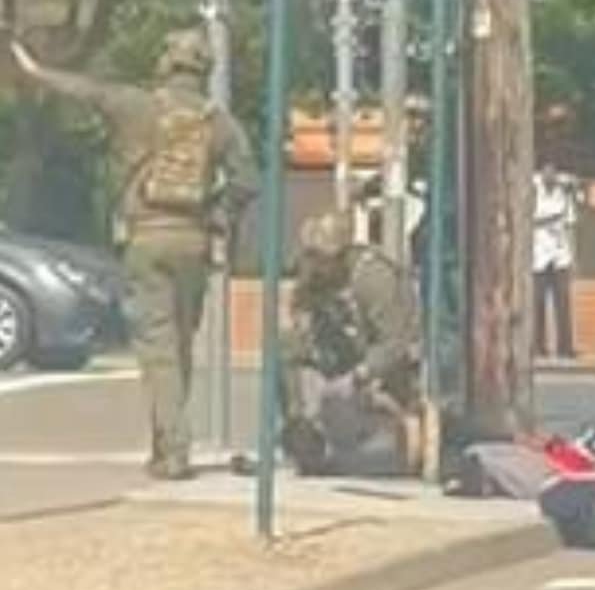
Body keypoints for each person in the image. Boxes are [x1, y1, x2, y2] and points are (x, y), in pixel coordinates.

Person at [10, 30, 258, 480]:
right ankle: (168, 442)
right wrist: (218, 215)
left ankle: (173, 450)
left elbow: (84, 90)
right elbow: (246, 181)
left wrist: (31, 66)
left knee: (158, 348)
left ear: (166, 63)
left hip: (146, 238)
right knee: (180, 345)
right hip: (194, 241)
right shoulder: (219, 122)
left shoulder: (134, 105)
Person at [280, 210, 425, 477]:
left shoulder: (374, 277)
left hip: (388, 374)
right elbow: (302, 322)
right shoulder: (317, 279)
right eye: (310, 257)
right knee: (285, 348)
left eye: (320, 259)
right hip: (343, 361)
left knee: (378, 453)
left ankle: (377, 446)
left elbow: (396, 343)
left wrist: (361, 375)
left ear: (340, 255)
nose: (313, 266)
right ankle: (303, 431)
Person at [532, 160, 582, 359]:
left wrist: (574, 257)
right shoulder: (534, 192)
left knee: (563, 301)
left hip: (560, 254)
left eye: (553, 172)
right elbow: (529, 220)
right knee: (537, 301)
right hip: (538, 254)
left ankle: (565, 347)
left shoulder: (564, 195)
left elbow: (570, 226)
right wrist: (552, 219)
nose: (550, 176)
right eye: (547, 172)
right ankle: (538, 346)